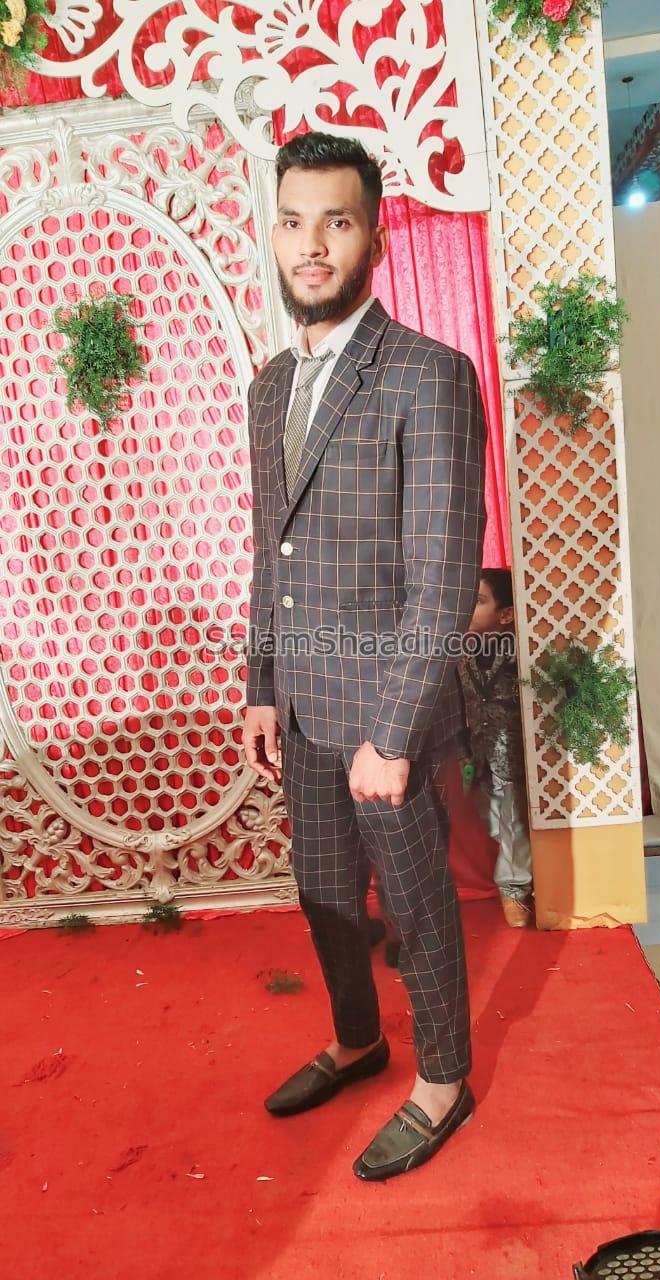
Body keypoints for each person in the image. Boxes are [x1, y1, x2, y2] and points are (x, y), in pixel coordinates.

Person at [242, 131, 486, 1182]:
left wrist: (393, 733)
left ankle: (443, 1078)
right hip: (302, 704)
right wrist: (261, 684)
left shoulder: (428, 376)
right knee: (326, 895)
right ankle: (357, 1040)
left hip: (388, 714)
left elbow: (443, 578)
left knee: (417, 903)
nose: (312, 244)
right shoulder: (269, 387)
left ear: (374, 238)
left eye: (335, 222)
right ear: (274, 233)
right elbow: (271, 548)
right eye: (294, 221)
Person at [457, 570, 533, 928]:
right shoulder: (463, 651)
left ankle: (515, 890)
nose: (468, 607)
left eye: (479, 601)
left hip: (512, 752)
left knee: (512, 821)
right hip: (479, 752)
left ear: (506, 614)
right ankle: (522, 874)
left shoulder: (522, 653)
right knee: (494, 822)